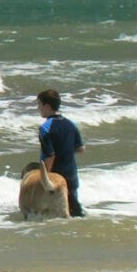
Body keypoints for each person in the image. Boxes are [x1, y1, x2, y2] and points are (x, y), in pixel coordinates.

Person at [36, 89, 85, 217]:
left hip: (57, 180)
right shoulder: (71, 124)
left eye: (39, 105)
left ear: (46, 106)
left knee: (56, 218)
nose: (38, 108)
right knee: (74, 214)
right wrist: (65, 148)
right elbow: (81, 149)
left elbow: (50, 155)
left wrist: (45, 177)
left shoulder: (45, 128)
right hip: (72, 175)